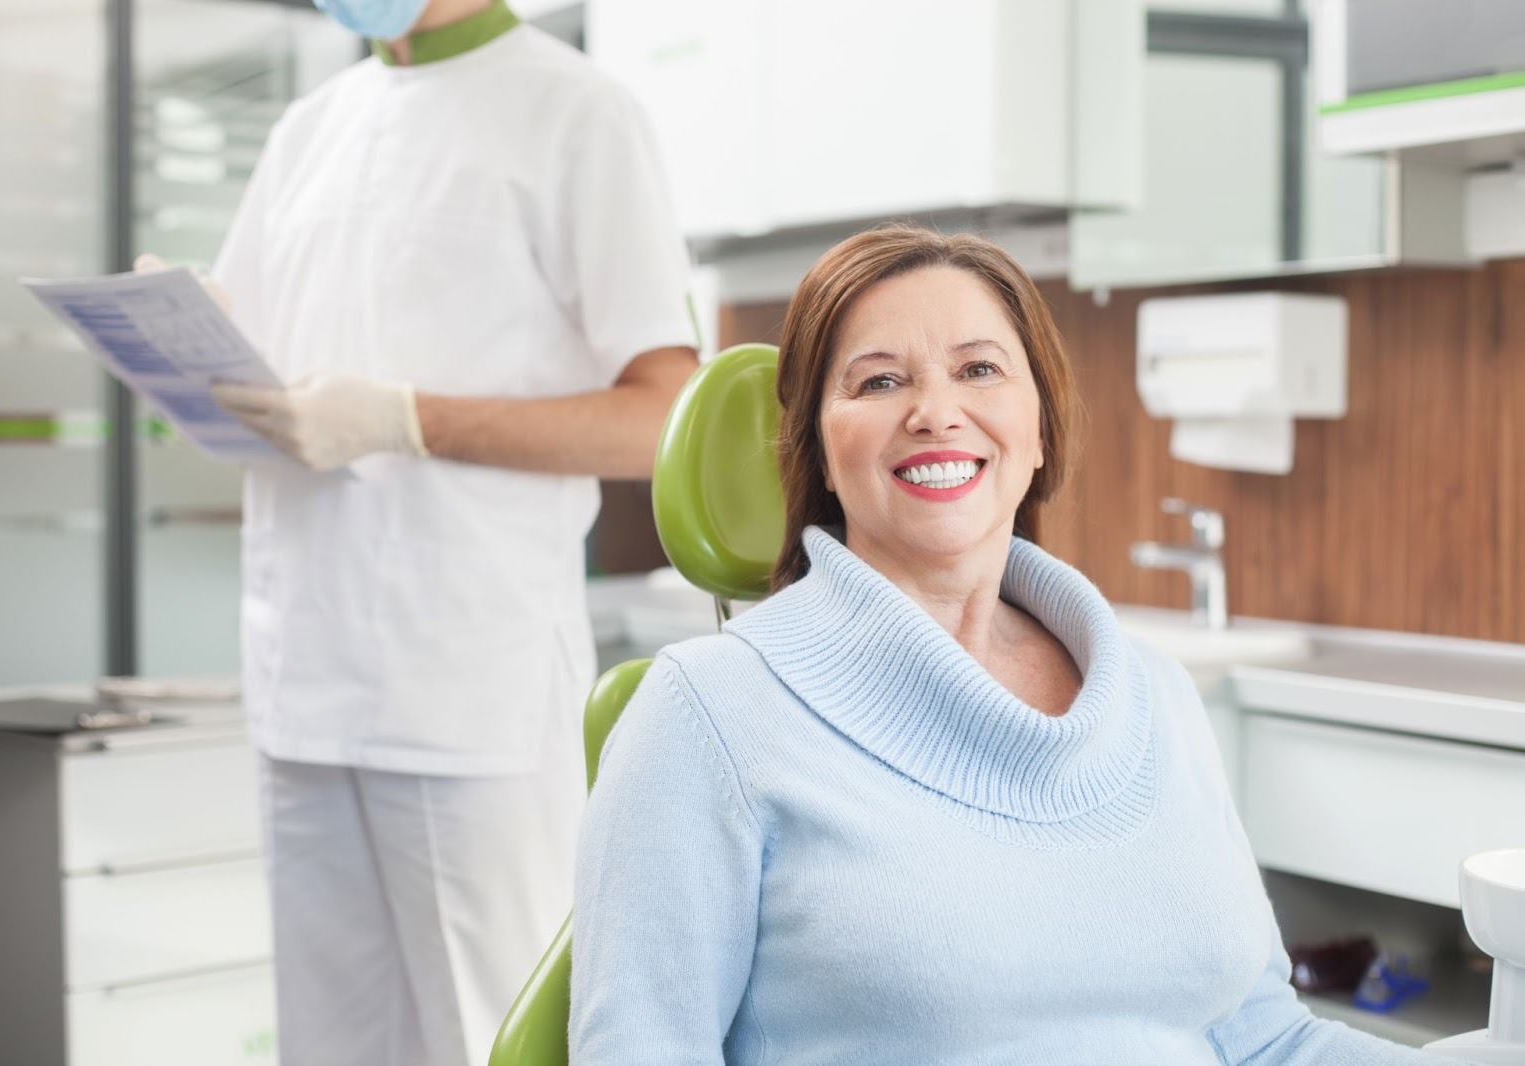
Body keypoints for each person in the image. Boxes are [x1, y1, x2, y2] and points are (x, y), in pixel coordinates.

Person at [569, 226, 1467, 1064]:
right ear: (817, 448)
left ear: (1039, 430)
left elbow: (1262, 1036)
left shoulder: (1154, 696)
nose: (936, 411)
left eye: (980, 370)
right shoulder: (708, 715)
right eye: (879, 382)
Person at [188, 1, 698, 1063]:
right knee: (327, 1044)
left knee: (493, 1035)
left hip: (466, 694)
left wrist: (406, 420)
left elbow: (661, 417)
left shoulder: (576, 113)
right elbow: (253, 367)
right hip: (302, 678)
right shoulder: (307, 129)